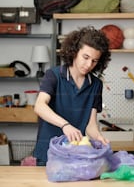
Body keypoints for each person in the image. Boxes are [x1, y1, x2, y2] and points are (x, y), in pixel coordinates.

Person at [33, 26, 111, 166]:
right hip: (48, 153)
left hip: (76, 154)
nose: (88, 65)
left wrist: (98, 137)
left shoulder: (96, 84)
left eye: (94, 61)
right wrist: (65, 125)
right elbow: (39, 106)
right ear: (74, 51)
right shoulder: (54, 75)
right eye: (85, 57)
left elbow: (90, 125)